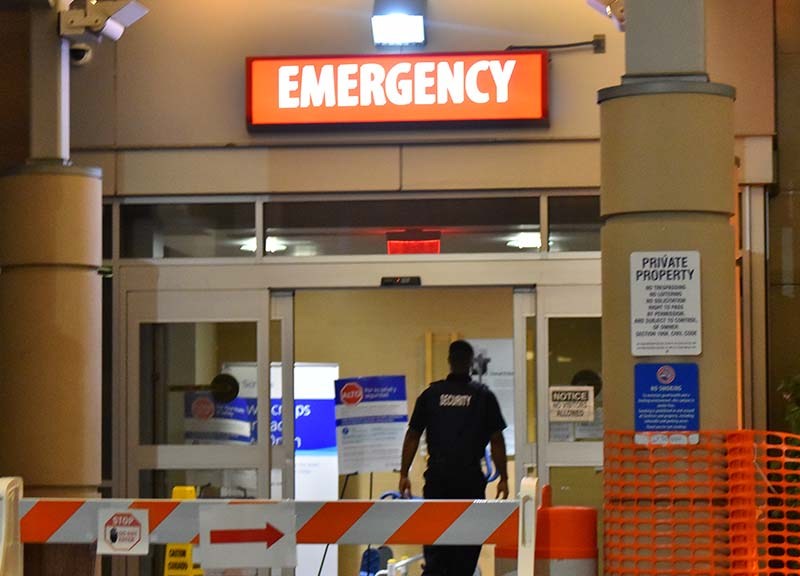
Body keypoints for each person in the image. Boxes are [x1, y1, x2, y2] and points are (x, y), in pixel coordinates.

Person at [398, 339, 509, 576]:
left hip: (438, 482)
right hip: (469, 482)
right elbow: (497, 440)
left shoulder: (431, 395)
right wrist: (504, 478)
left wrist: (404, 474)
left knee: (437, 551)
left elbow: (412, 436)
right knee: (466, 552)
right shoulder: (483, 396)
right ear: (471, 363)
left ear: (449, 361)